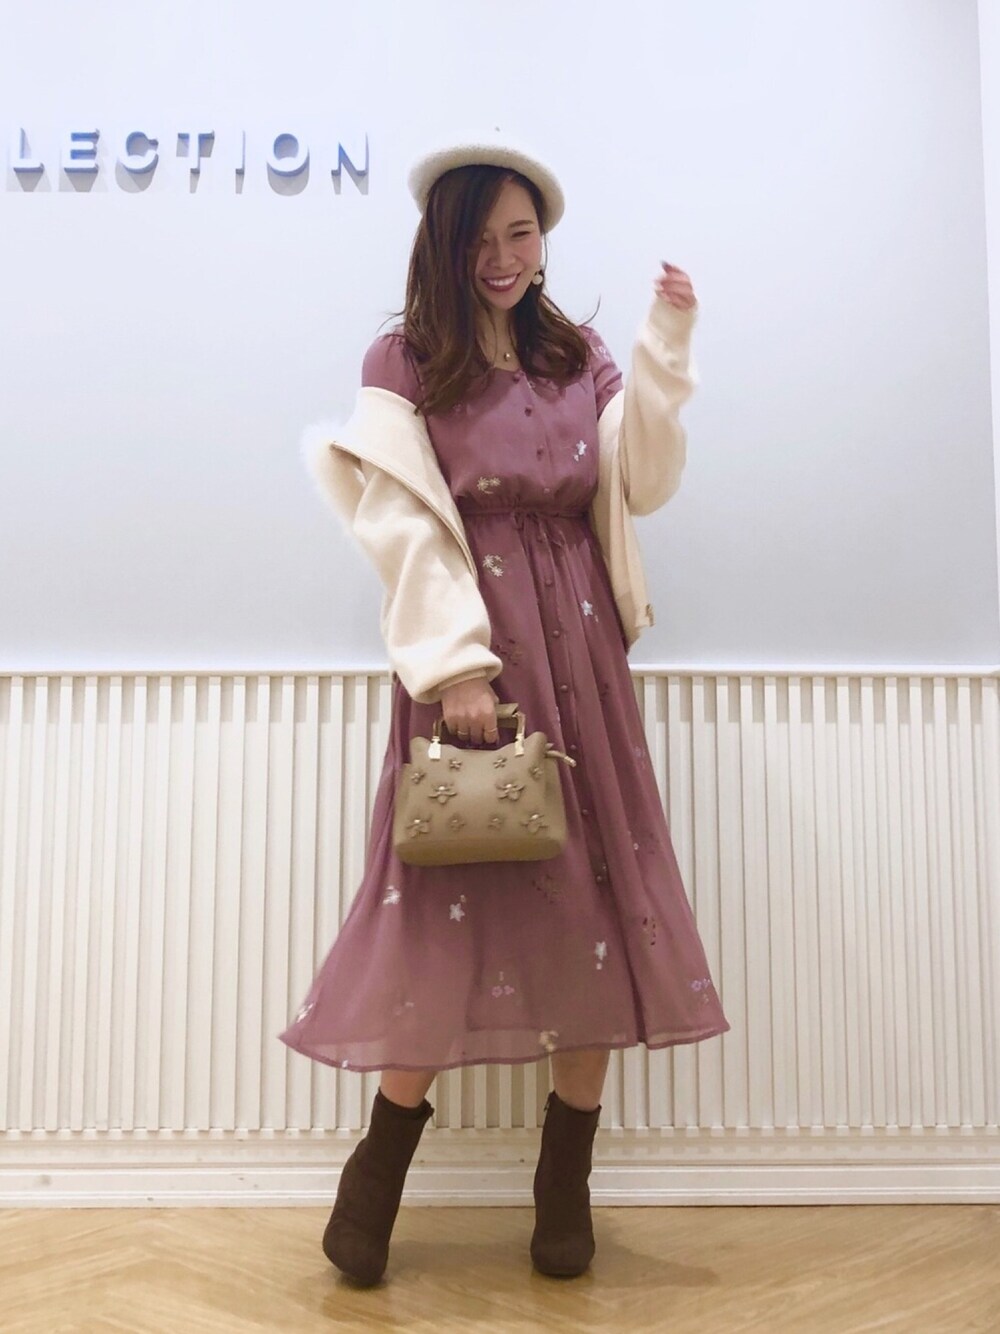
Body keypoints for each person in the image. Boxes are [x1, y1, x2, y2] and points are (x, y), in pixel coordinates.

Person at [281, 134, 730, 1286]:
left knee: (594, 903)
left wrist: (664, 344)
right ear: (442, 244)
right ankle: (374, 1176)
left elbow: (639, 483)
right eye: (480, 237)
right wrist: (453, 669)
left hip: (582, 652)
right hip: (471, 653)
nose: (502, 257)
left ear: (544, 239)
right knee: (442, 913)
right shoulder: (404, 357)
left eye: (520, 233)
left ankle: (562, 1183)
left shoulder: (577, 353)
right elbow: (395, 520)